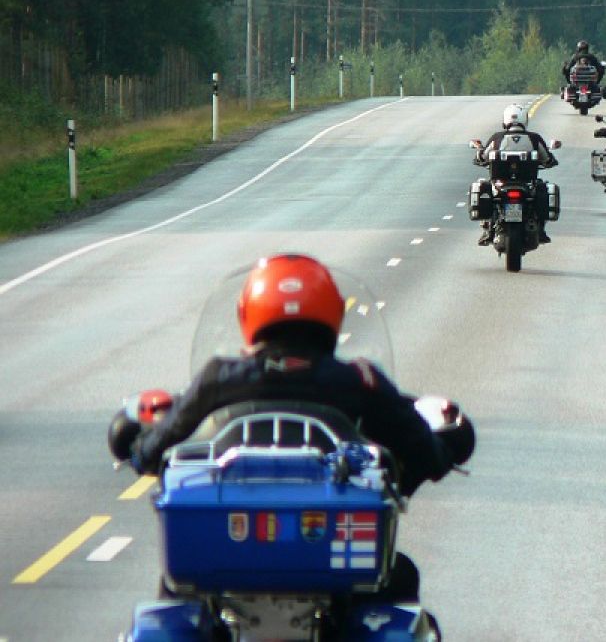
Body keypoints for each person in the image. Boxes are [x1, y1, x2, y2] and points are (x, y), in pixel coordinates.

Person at [112, 253, 475, 605]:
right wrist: (443, 450)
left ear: (247, 313)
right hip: (336, 559)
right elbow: (424, 452)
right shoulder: (359, 381)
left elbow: (151, 450)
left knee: (177, 590)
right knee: (399, 579)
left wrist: (138, 445)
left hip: (228, 557)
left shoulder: (218, 378)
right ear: (334, 313)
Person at [476, 103, 558, 244]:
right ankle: (541, 230)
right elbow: (547, 158)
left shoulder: (497, 138)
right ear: (524, 119)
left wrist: (479, 156)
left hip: (501, 183)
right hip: (526, 183)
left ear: (505, 119)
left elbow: (483, 156)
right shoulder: (534, 138)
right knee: (541, 190)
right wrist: (549, 161)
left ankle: (488, 230)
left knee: (488, 190)